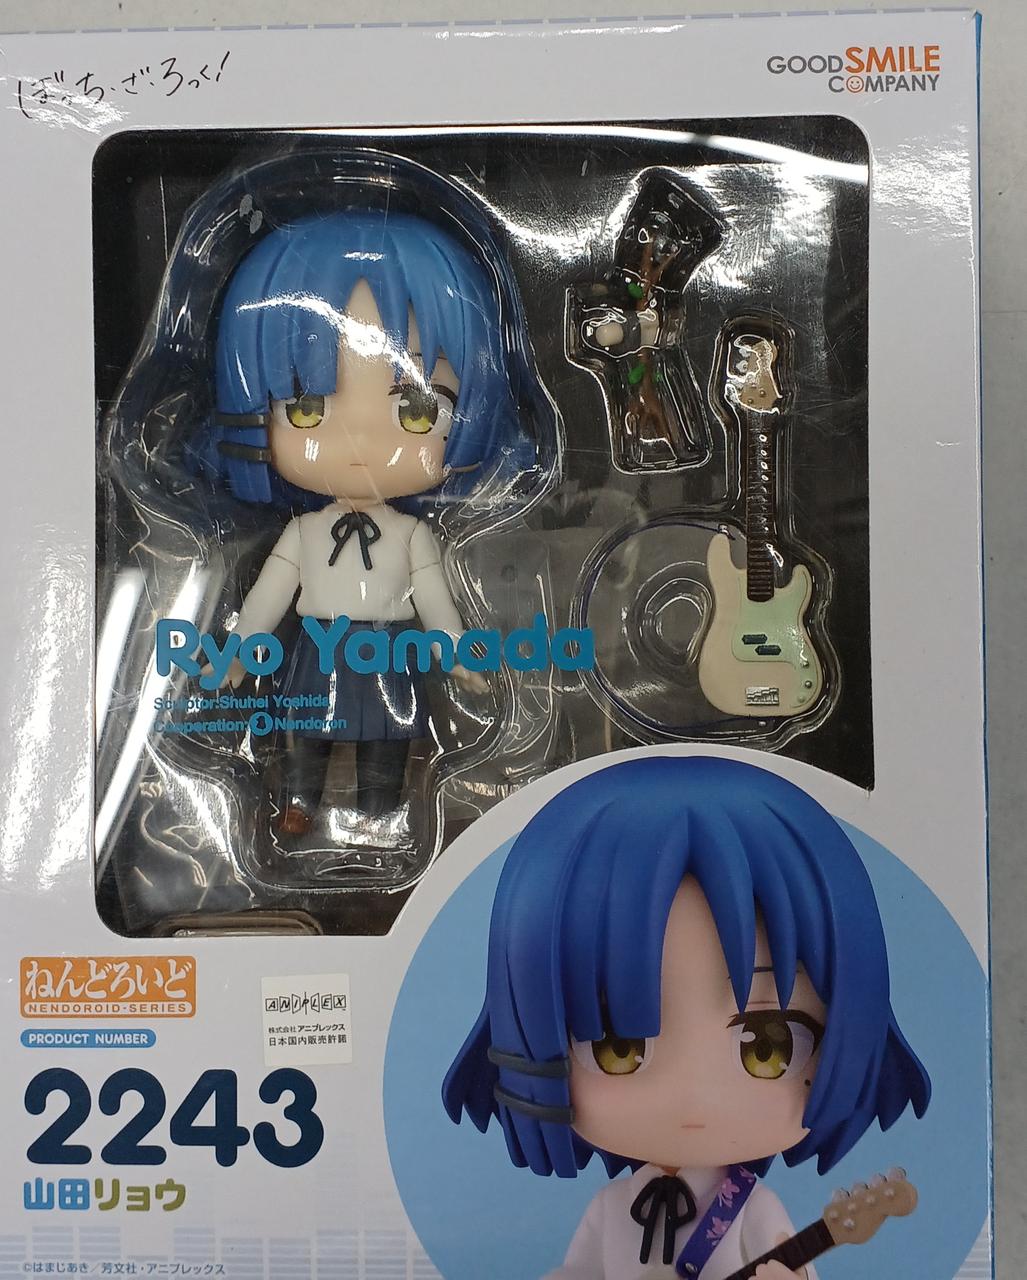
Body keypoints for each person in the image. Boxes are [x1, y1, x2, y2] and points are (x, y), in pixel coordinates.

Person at [443, 755, 930, 1279]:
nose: (694, 1096)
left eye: (768, 1046)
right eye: (618, 1046)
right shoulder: (611, 1209)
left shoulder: (752, 1209)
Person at [202, 209, 539, 828]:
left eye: (417, 411)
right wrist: (241, 650)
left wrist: (455, 651)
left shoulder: (412, 534)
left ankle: (381, 814)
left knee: (389, 739)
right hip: (318, 647)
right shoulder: (303, 531)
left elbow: (433, 596)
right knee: (304, 733)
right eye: (306, 408)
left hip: (388, 650)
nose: (358, 442)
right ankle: (297, 806)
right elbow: (269, 594)